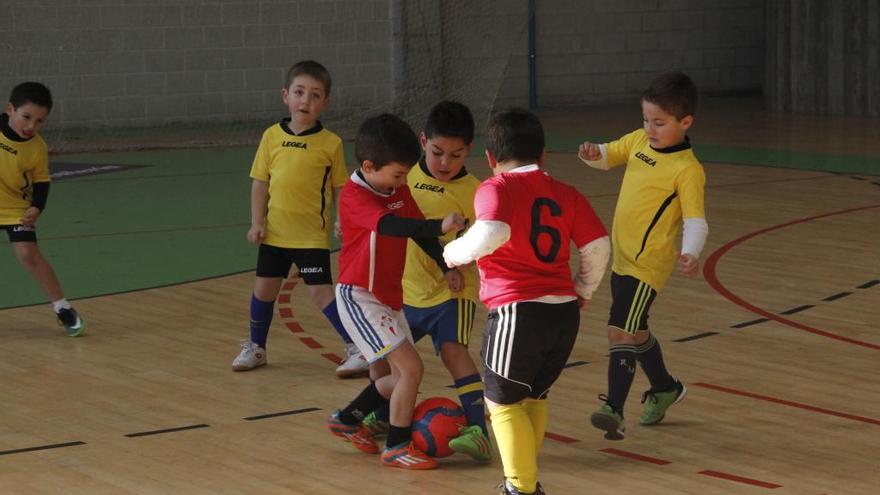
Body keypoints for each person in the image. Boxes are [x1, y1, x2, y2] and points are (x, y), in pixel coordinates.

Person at [444, 108, 610, 495]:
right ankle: (520, 480)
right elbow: (598, 247)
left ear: (490, 158)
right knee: (533, 396)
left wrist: (452, 254)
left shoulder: (495, 187)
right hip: (564, 314)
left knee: (501, 403)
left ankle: (521, 487)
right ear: (543, 155)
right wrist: (582, 291)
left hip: (517, 310)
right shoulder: (567, 193)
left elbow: (491, 232)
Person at [326, 113, 465, 470]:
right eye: (397, 174)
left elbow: (419, 233)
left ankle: (347, 418)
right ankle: (397, 446)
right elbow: (391, 226)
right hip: (360, 296)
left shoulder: (395, 188)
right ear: (369, 166)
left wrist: (445, 264)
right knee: (411, 370)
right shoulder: (356, 196)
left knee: (398, 375)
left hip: (388, 298)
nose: (402, 182)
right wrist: (440, 223)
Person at [577, 71, 708, 440]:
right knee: (636, 333)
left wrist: (691, 251)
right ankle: (665, 387)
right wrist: (593, 154)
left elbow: (696, 220)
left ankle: (614, 409)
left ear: (685, 122)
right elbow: (608, 155)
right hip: (622, 259)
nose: (650, 129)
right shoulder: (638, 141)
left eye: (660, 123)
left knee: (620, 329)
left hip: (647, 266)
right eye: (646, 120)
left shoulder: (688, 170)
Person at [361, 101, 491, 462]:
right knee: (387, 364)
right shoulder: (403, 179)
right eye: (437, 153)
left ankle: (479, 430)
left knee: (454, 352)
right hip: (404, 291)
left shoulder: (477, 191)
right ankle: (382, 416)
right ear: (422, 141)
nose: (446, 163)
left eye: (456, 154)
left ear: (470, 149)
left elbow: (486, 239)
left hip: (453, 292)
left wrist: (463, 261)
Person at [232, 60, 368, 377]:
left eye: (315, 95)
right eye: (299, 92)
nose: (305, 100)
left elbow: (339, 187)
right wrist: (256, 223)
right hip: (275, 235)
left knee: (321, 294)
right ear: (285, 96)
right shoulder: (270, 137)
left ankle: (357, 349)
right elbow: (260, 183)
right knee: (263, 291)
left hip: (310, 237)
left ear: (326, 103)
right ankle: (256, 347)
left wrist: (341, 221)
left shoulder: (330, 143)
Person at [1, 82, 85, 337]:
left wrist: (37, 207)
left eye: (39, 121)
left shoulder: (37, 147)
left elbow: (41, 180)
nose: (31, 126)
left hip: (16, 207)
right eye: (26, 117)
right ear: (9, 109)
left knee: (28, 253)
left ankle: (62, 307)